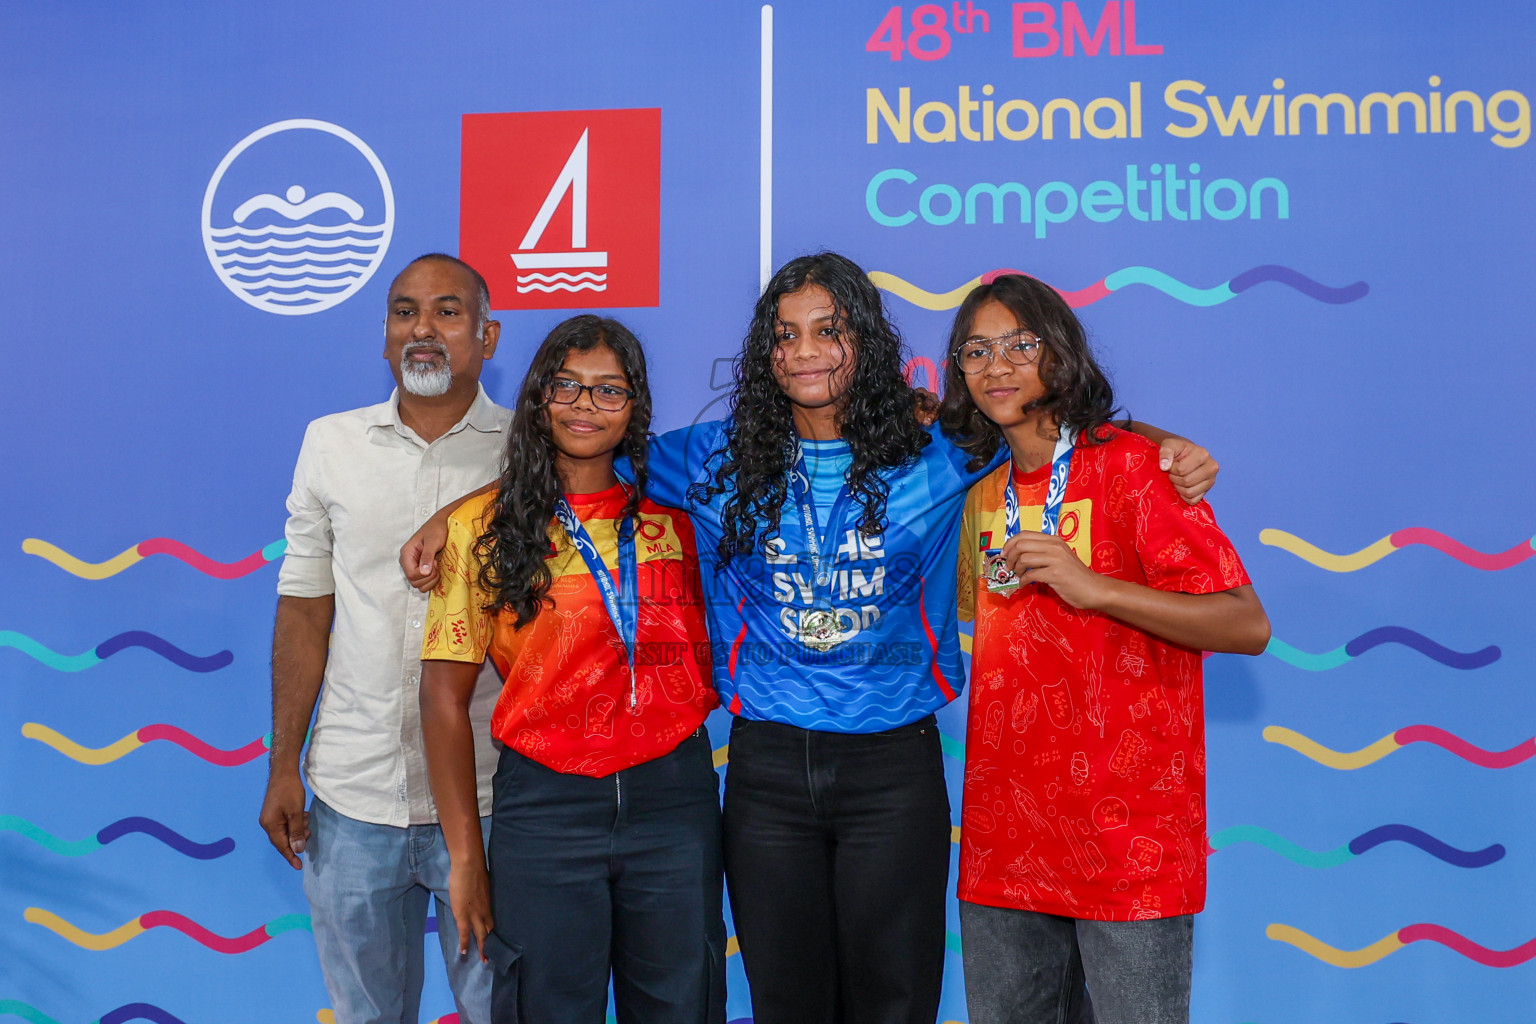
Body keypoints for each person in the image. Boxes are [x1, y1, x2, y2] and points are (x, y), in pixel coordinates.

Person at [401, 252, 1216, 1024]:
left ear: (864, 340)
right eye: (784, 334)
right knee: (787, 1004)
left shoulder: (937, 447)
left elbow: (1047, 423)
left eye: (828, 330)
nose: (805, 352)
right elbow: (582, 446)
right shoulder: (714, 458)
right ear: (764, 351)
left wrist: (1163, 443)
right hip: (767, 777)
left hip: (893, 769)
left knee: (894, 1004)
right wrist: (457, 512)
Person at [945, 273, 1270, 1024]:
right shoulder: (978, 490)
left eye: (1020, 345)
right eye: (976, 350)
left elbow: (1246, 623)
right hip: (1006, 840)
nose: (997, 366)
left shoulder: (1136, 469)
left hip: (1129, 843)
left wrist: (1099, 590)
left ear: (1058, 354)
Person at [418, 315, 724, 1024]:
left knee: (684, 1004)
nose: (586, 406)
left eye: (609, 391)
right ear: (538, 397)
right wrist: (467, 859)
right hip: (544, 810)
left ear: (636, 407)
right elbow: (441, 699)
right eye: (568, 386)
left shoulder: (679, 517)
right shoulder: (482, 530)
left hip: (673, 801)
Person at [259, 254, 505, 1024]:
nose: (422, 329)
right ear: (385, 334)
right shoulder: (330, 444)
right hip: (350, 798)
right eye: (405, 312)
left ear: (489, 335)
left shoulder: (533, 447)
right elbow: (304, 611)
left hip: (494, 798)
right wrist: (283, 765)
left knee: (507, 1011)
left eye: (447, 311)